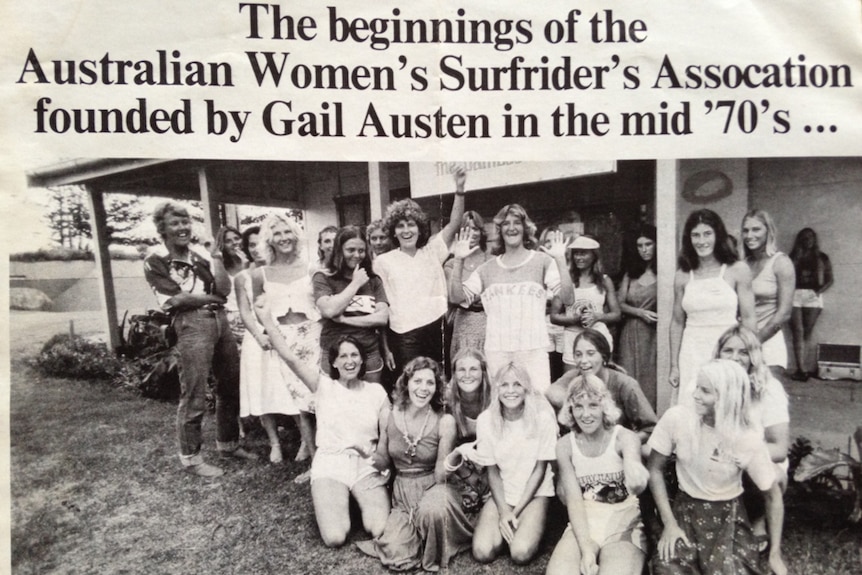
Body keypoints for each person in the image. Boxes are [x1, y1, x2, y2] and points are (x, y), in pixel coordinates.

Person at [143, 202, 256, 477]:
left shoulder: (200, 254)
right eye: (175, 224)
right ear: (163, 228)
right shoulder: (155, 258)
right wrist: (211, 298)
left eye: (185, 223)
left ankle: (227, 444)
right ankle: (191, 458)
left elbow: (224, 289)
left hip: (219, 321)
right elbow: (177, 299)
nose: (182, 228)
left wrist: (216, 256)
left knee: (230, 384)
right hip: (190, 324)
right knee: (193, 391)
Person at [255, 324, 392, 548]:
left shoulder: (376, 392)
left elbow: (389, 433)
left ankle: (355, 500)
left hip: (366, 463)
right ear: (334, 362)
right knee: (335, 536)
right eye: (343, 356)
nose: (350, 361)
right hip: (331, 462)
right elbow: (291, 358)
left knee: (379, 529)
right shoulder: (323, 386)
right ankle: (338, 499)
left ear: (362, 359)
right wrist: (266, 320)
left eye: (354, 355)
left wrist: (383, 466)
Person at [647, 359, 786, 575]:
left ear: (726, 398)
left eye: (705, 391)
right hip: (685, 511)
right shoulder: (677, 418)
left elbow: (773, 495)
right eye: (697, 388)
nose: (695, 395)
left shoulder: (746, 438)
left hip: (728, 515)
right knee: (667, 569)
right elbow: (654, 469)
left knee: (731, 570)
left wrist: (775, 553)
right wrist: (670, 524)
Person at [449, 204, 574, 393]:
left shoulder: (542, 261)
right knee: (501, 407)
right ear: (499, 230)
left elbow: (568, 298)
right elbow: (457, 297)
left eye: (517, 222)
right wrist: (458, 259)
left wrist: (561, 260)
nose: (511, 227)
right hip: (497, 355)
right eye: (506, 223)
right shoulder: (486, 269)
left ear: (525, 228)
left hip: (534, 353)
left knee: (538, 408)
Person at [356, 357, 455, 571]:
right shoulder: (388, 416)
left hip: (432, 488)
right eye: (417, 381)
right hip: (402, 493)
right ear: (406, 383)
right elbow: (383, 460)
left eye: (430, 383)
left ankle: (430, 531)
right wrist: (363, 453)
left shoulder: (444, 421)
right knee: (395, 552)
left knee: (431, 515)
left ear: (437, 388)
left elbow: (441, 476)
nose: (423, 388)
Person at [546, 374, 649, 575]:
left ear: (605, 406)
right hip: (584, 522)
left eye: (593, 405)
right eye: (578, 406)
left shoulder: (624, 438)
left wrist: (635, 473)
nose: (586, 414)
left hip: (624, 522)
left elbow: (633, 464)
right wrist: (586, 550)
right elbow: (574, 501)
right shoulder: (565, 446)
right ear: (570, 410)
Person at [374, 165, 467, 373]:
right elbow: (382, 307)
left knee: (439, 382)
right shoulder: (382, 262)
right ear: (393, 231)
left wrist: (459, 189)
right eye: (400, 226)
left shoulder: (432, 250)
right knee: (410, 385)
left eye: (411, 224)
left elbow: (455, 223)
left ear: (420, 227)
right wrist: (386, 348)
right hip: (404, 335)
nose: (406, 230)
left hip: (437, 328)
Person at [249, 214, 319, 471]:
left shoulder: (311, 267)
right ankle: (315, 463)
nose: (284, 238)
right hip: (284, 340)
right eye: (277, 234)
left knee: (320, 399)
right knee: (300, 404)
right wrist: (265, 332)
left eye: (287, 232)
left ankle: (331, 457)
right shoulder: (260, 274)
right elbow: (258, 307)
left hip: (314, 336)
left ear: (296, 235)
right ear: (269, 240)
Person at [471, 363, 558, 565]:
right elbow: (491, 471)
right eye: (504, 385)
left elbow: (540, 470)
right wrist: (504, 512)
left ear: (526, 388)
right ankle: (504, 531)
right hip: (503, 493)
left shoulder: (542, 419)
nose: (511, 391)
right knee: (482, 551)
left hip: (535, 494)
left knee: (520, 553)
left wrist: (515, 512)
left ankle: (526, 528)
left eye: (517, 385)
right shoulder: (485, 420)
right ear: (496, 389)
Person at [715, 325, 790, 556]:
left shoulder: (769, 388)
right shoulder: (706, 382)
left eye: (744, 352)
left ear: (754, 357)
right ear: (718, 354)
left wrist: (741, 454)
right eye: (728, 351)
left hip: (753, 459)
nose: (735, 358)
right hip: (714, 458)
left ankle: (758, 519)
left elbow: (779, 448)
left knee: (771, 474)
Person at [669, 209, 756, 406]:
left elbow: (749, 318)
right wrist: (674, 365)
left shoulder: (737, 270)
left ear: (718, 235)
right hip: (691, 351)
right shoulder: (682, 275)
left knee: (726, 404)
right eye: (695, 235)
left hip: (727, 349)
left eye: (707, 233)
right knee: (691, 404)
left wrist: (750, 359)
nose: (702, 241)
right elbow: (676, 322)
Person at [418, 349, 494, 571]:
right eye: (461, 369)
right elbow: (441, 474)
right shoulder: (447, 407)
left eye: (473, 369)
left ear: (483, 372)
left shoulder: (496, 402)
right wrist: (456, 457)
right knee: (434, 506)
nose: (467, 374)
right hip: (459, 479)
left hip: (494, 477)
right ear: (454, 374)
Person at [546, 329, 657, 453]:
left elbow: (650, 429)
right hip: (583, 449)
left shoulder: (625, 384)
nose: (583, 360)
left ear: (603, 356)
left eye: (590, 353)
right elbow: (551, 392)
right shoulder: (574, 377)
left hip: (616, 450)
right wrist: (573, 403)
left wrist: (620, 444)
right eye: (578, 354)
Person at [313, 225, 389, 384]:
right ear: (339, 250)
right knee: (335, 402)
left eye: (361, 250)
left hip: (368, 351)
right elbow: (329, 310)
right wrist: (355, 284)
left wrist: (346, 320)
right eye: (350, 250)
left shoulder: (374, 280)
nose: (357, 255)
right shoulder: (323, 278)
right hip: (334, 352)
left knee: (369, 401)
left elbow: (382, 317)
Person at [550, 234, 620, 371]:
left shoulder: (604, 280)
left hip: (597, 337)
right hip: (572, 338)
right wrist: (573, 319)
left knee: (599, 383)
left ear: (594, 256)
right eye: (576, 254)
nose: (579, 258)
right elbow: (554, 316)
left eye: (583, 254)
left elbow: (616, 314)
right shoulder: (566, 279)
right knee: (572, 382)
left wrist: (597, 316)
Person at [741, 210, 795, 374]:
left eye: (756, 229)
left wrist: (754, 342)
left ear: (768, 231)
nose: (750, 235)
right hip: (741, 342)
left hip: (768, 340)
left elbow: (784, 313)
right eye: (745, 230)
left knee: (768, 397)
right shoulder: (742, 264)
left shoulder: (781, 262)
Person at [617, 225, 659, 407]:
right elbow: (619, 303)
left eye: (648, 244)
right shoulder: (631, 273)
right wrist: (640, 313)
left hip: (653, 334)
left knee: (651, 378)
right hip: (631, 332)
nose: (644, 250)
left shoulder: (664, 272)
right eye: (640, 246)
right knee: (629, 376)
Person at [444, 211, 492, 361]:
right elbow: (454, 297)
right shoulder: (451, 264)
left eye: (475, 228)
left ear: (481, 232)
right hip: (463, 325)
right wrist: (480, 296)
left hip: (490, 325)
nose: (471, 233)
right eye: (466, 228)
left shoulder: (493, 260)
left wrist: (469, 297)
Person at [788, 227, 834, 381]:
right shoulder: (793, 256)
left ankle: (803, 368)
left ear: (814, 239)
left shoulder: (822, 257)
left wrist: (819, 291)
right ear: (799, 239)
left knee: (807, 332)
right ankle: (801, 369)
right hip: (795, 294)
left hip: (812, 295)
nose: (807, 240)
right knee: (798, 331)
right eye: (804, 237)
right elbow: (786, 277)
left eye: (810, 237)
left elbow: (830, 279)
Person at [539, 226, 566, 381]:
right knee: (548, 370)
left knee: (563, 369)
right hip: (544, 327)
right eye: (547, 241)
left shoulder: (566, 267)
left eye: (555, 240)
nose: (550, 244)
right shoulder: (540, 266)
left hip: (564, 328)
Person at [215, 225, 249, 345]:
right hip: (231, 319)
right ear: (223, 246)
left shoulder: (253, 262)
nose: (234, 243)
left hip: (251, 315)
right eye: (228, 241)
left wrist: (246, 265)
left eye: (236, 238)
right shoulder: (221, 267)